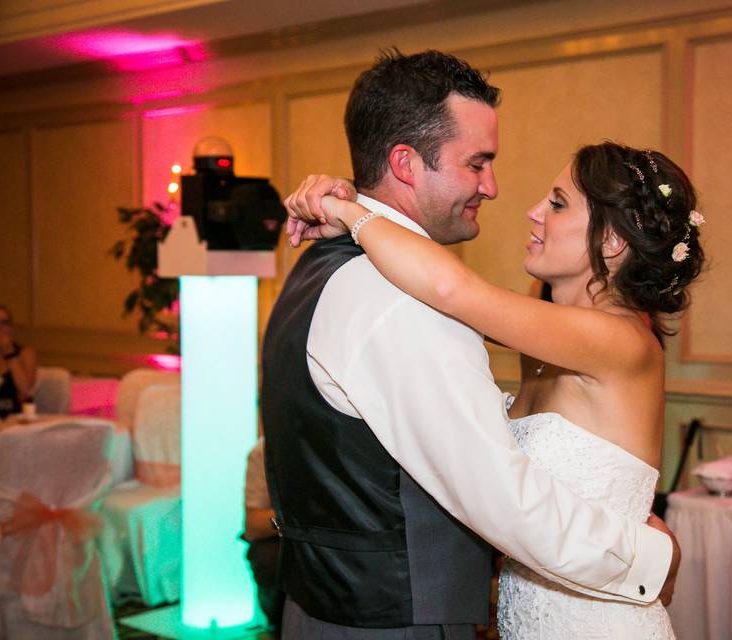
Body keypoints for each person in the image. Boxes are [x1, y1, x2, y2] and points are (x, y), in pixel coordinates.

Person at [263, 49, 678, 640]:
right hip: (395, 621)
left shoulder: (323, 267)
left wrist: (344, 208)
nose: (498, 189)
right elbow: (499, 495)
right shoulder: (404, 297)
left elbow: (463, 295)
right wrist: (647, 559)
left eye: (557, 204)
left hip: (328, 608)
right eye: (477, 163)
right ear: (406, 163)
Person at [242, 437, 285, 635]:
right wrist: (293, 519)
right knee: (270, 558)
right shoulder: (265, 450)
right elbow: (253, 525)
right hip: (285, 536)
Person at [0, 305, 37, 418]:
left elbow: (25, 390)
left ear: (11, 328)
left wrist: (9, 353)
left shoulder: (25, 353)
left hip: (15, 417)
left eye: (4, 322)